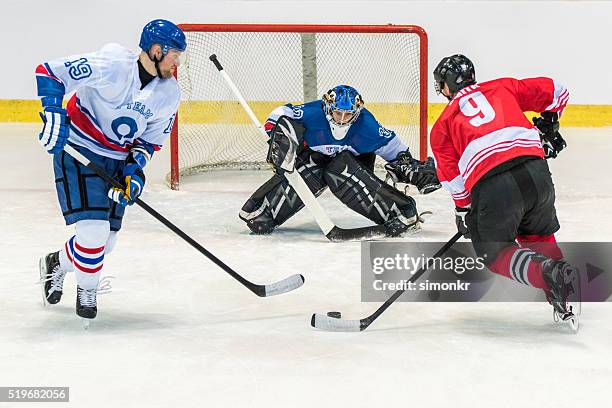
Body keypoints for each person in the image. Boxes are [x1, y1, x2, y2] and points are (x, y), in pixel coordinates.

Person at [36, 19, 186, 320]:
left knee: (106, 241)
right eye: (174, 55)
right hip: (79, 149)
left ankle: (57, 262)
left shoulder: (169, 93)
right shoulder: (114, 63)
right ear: (157, 50)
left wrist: (134, 171)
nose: (176, 63)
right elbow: (50, 72)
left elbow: (148, 142)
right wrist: (53, 113)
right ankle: (87, 292)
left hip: (116, 160)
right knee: (94, 232)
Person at [429, 54, 579, 328]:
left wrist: (464, 210)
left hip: (493, 184)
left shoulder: (442, 126)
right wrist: (549, 124)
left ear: (446, 87)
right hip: (537, 174)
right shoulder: (503, 87)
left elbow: (454, 179)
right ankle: (563, 293)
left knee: (495, 253)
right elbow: (559, 91)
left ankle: (545, 273)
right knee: (539, 234)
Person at [239, 85, 441, 237]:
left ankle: (399, 212)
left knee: (339, 169)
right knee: (312, 166)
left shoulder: (367, 126)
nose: (342, 119)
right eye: (338, 113)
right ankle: (264, 212)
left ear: (357, 112)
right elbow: (282, 113)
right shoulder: (312, 113)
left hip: (354, 165)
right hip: (317, 159)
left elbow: (396, 150)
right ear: (327, 108)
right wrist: (278, 134)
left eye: (348, 114)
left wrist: (409, 166)